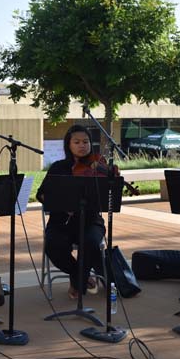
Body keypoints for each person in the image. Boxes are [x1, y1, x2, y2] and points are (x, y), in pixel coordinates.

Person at [36, 125, 105, 300]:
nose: (82, 145)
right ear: (69, 145)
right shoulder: (58, 168)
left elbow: (107, 194)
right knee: (53, 245)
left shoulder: (98, 165)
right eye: (77, 142)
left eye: (86, 142)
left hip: (90, 220)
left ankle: (77, 283)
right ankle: (80, 276)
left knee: (90, 242)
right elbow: (42, 194)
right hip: (61, 221)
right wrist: (60, 204)